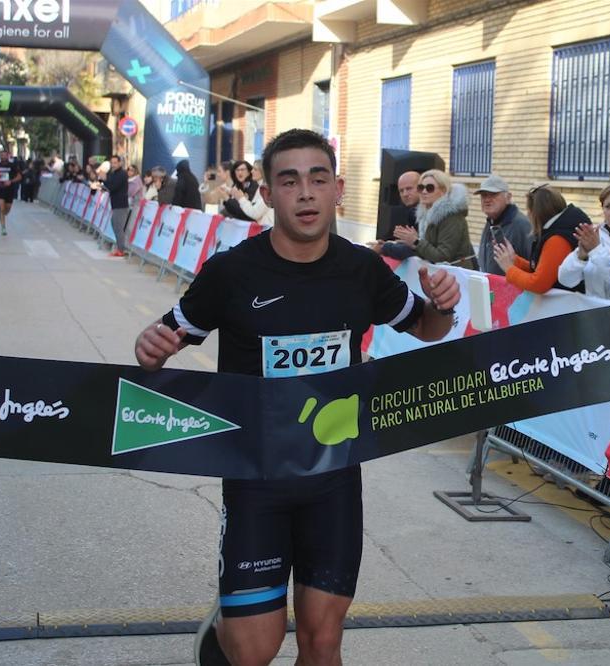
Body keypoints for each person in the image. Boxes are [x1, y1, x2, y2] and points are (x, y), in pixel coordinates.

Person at [133, 129, 460, 666]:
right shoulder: (231, 272)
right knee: (254, 651)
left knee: (323, 641)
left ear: (338, 190)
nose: (305, 193)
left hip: (333, 478)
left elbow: (426, 326)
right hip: (255, 479)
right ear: (268, 192)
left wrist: (441, 307)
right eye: (289, 181)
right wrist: (151, 348)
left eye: (318, 179)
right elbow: (162, 341)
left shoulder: (361, 270)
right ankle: (227, 630)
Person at [493, 185, 586, 293]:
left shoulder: (557, 239)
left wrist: (509, 269)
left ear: (536, 213)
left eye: (529, 210)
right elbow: (541, 269)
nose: (528, 214)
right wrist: (514, 260)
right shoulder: (559, 229)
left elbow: (539, 284)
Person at [379, 170, 475, 268]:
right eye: (421, 188)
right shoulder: (426, 214)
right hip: (439, 272)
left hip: (457, 274)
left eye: (430, 188)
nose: (424, 192)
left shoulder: (451, 217)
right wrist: (407, 243)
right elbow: (427, 251)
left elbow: (442, 257)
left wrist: (416, 241)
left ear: (443, 191)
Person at [474, 174, 530, 276]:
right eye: (484, 195)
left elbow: (533, 267)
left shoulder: (522, 225)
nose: (487, 200)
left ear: (508, 197)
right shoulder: (491, 221)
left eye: (493, 194)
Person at [221, 160, 273, 226]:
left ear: (263, 171)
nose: (252, 171)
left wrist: (240, 198)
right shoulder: (260, 187)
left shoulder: (267, 189)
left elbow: (254, 213)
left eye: (255, 169)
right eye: (237, 170)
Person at [104, 155, 131, 257]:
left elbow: (112, 187)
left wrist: (104, 180)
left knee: (118, 227)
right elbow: (109, 184)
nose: (113, 165)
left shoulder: (122, 174)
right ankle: (120, 247)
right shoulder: (113, 173)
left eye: (115, 163)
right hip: (115, 204)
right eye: (112, 163)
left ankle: (121, 249)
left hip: (121, 205)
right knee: (114, 224)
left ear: (120, 163)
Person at [0, 150, 22, 236]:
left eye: (5, 155)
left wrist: (11, 181)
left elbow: (19, 176)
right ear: (0, 156)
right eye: (2, 155)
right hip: (0, 189)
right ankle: (3, 227)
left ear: (8, 156)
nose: (3, 157)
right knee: (1, 208)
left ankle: (3, 214)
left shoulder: (13, 165)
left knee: (6, 210)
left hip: (10, 190)